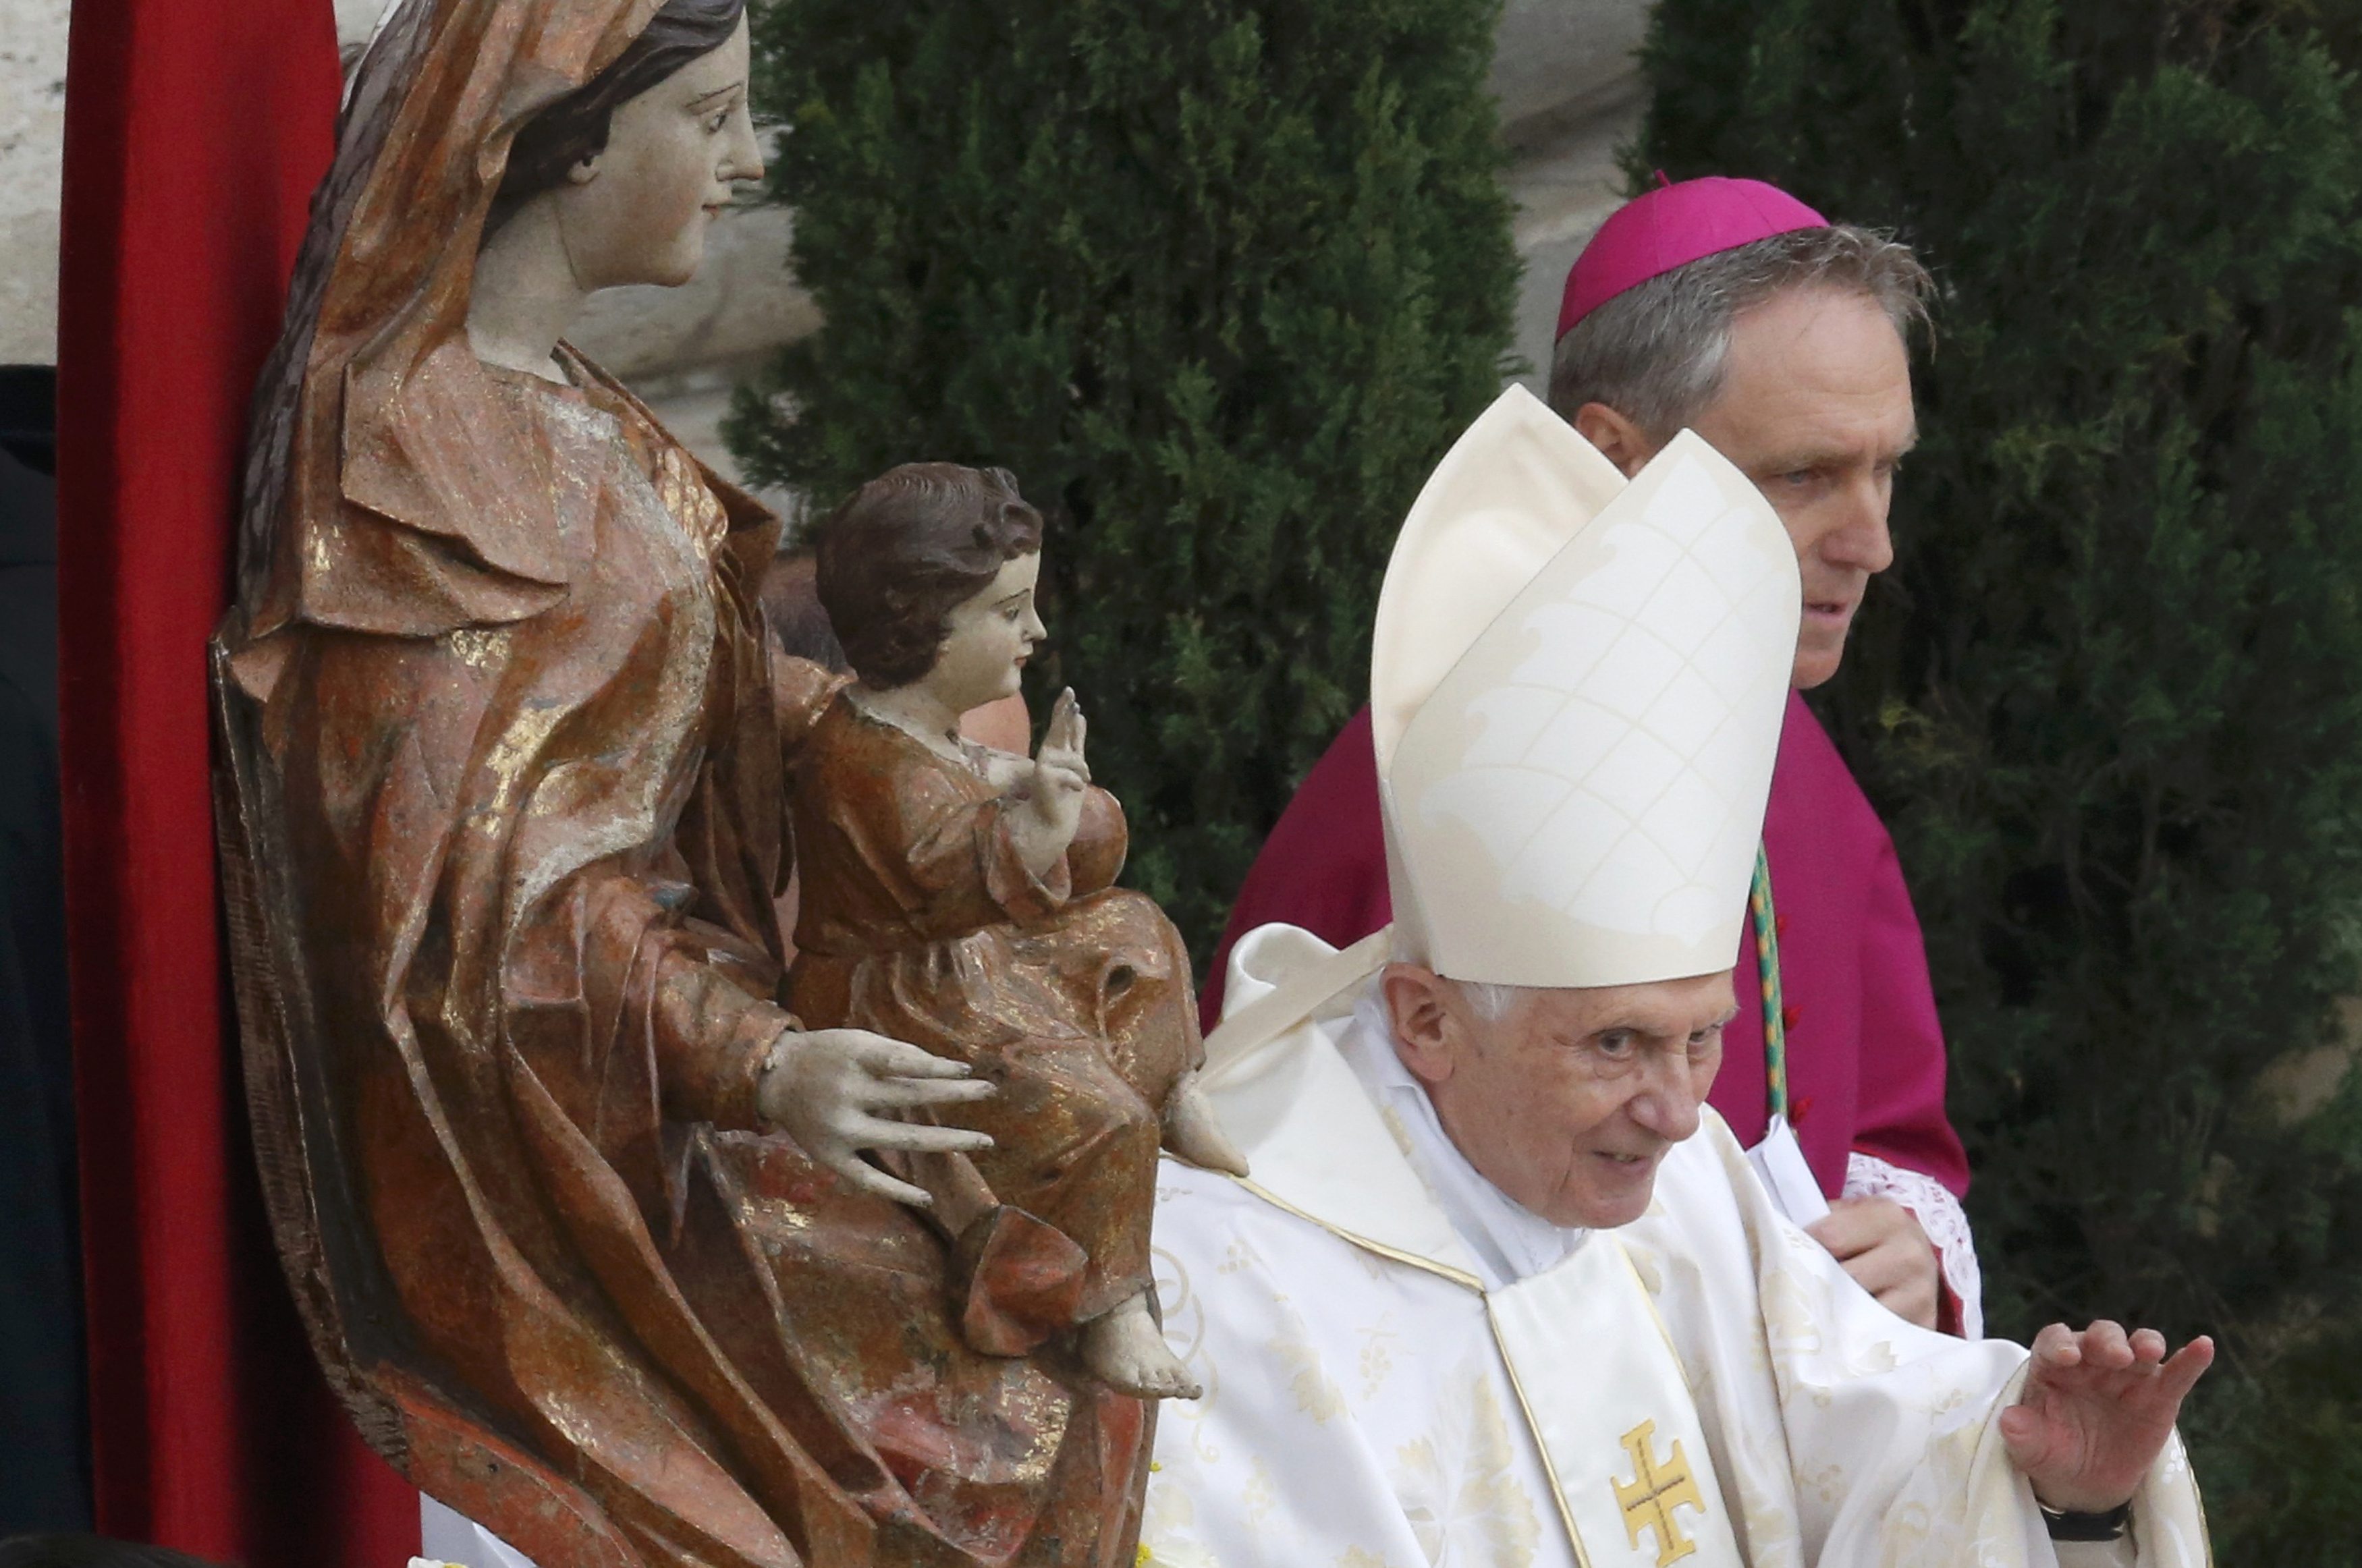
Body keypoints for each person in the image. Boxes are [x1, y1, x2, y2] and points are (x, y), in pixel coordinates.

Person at [215, 1, 1155, 1562]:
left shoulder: (574, 405)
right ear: (572, 139)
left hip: (693, 1024)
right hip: (573, 1128)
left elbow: (711, 709)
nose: (746, 165)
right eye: (709, 121)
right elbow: (465, 915)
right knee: (990, 1393)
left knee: (1088, 1069)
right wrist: (754, 1061)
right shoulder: (420, 467)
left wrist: (930, 756)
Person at [1141, 389, 2212, 1568]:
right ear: (1429, 1018)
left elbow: (1868, 1430)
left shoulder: (1680, 1179)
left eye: (1703, 1038)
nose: (1683, 1112)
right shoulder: (1224, 1281)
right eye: (1616, 1045)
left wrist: (2058, 1484)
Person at [1203, 175, 1979, 1333]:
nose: (1873, 543)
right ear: (1618, 458)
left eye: (1887, 470)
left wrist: (1911, 1254)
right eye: (1805, 476)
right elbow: (1278, 1213)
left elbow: (1884, 1131)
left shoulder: (1787, 738)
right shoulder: (1440, 779)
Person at [790, 461, 1244, 1397]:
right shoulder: (858, 756)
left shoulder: (923, 734)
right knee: (1096, 1114)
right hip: (904, 995)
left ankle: (1170, 1086)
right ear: (926, 626)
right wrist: (1038, 823)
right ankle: (1111, 1306)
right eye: (1009, 611)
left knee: (1135, 932)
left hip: (969, 956)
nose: (1036, 633)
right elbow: (945, 876)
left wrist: (1045, 799)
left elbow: (989, 805)